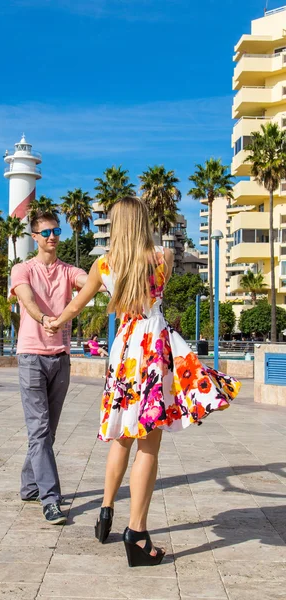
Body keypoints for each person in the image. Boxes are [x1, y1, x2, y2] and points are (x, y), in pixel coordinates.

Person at [46, 197, 241, 566]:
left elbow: (74, 307)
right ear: (144, 222)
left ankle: (106, 510)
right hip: (153, 346)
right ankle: (136, 533)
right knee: (148, 444)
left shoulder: (104, 265)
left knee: (122, 436)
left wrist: (53, 323)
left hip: (125, 351)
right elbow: (156, 291)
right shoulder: (162, 257)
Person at [10, 210, 88, 525]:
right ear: (35, 237)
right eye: (45, 232)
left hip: (60, 358)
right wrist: (45, 319)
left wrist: (108, 280)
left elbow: (87, 282)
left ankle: (30, 485)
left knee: (47, 431)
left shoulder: (69, 270)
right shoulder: (21, 269)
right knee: (39, 429)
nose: (52, 236)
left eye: (56, 231)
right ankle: (50, 499)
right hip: (31, 356)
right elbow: (27, 299)